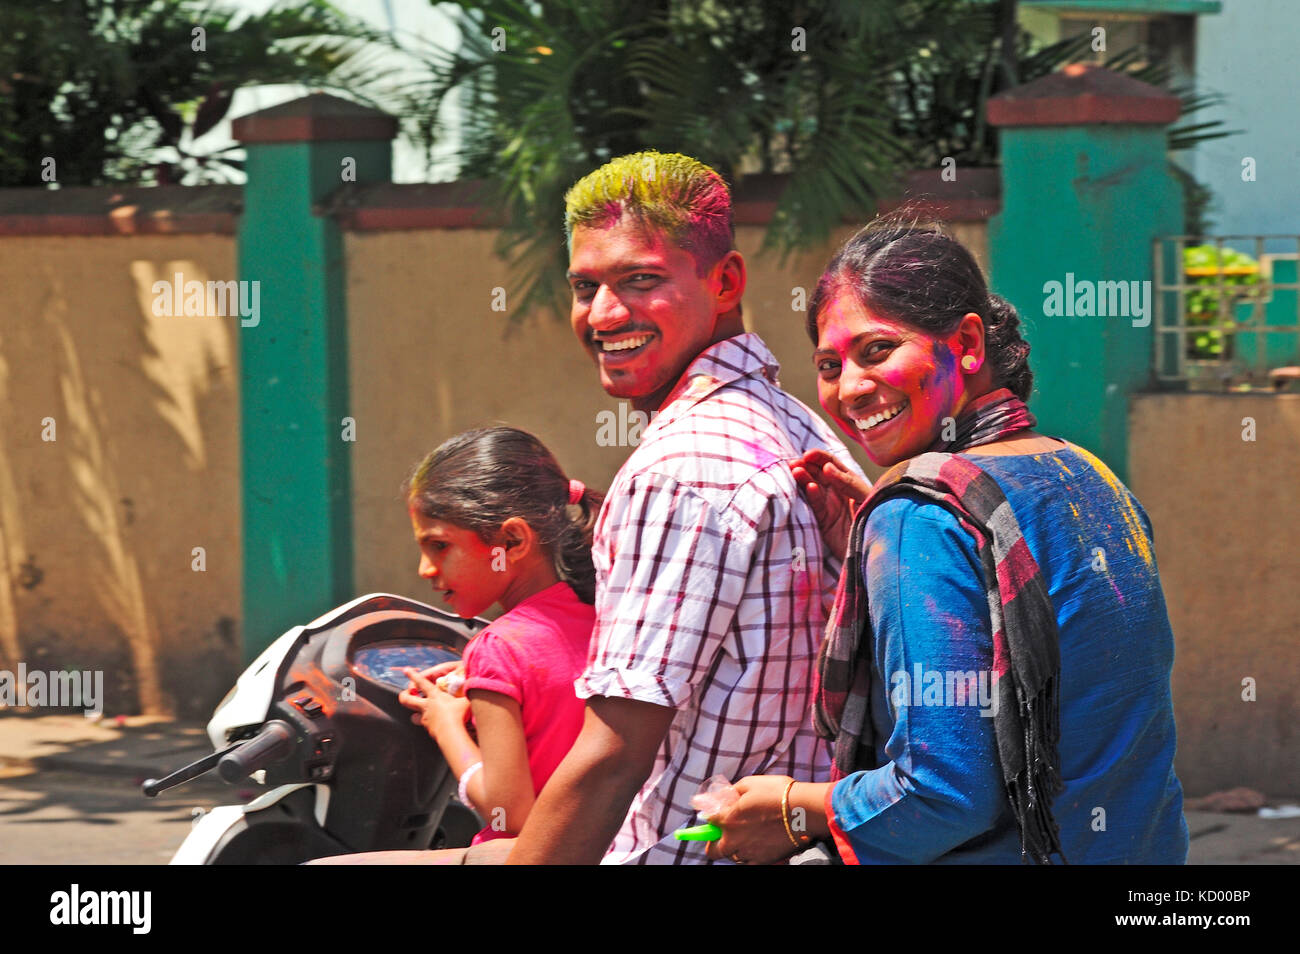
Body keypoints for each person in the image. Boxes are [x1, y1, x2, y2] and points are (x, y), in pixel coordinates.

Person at [707, 221, 1189, 864]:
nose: (849, 388)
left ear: (965, 341)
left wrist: (794, 809)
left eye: (877, 351)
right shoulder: (1088, 475)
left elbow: (941, 791)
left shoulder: (923, 518)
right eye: (829, 365)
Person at [505, 151, 867, 864]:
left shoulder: (681, 469)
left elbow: (613, 759)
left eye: (641, 280)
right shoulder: (792, 420)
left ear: (725, 281)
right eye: (586, 286)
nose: (606, 315)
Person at [397, 426, 601, 843]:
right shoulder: (600, 619)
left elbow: (510, 817)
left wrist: (445, 724)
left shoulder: (496, 649)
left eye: (439, 546)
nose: (425, 569)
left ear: (511, 541)